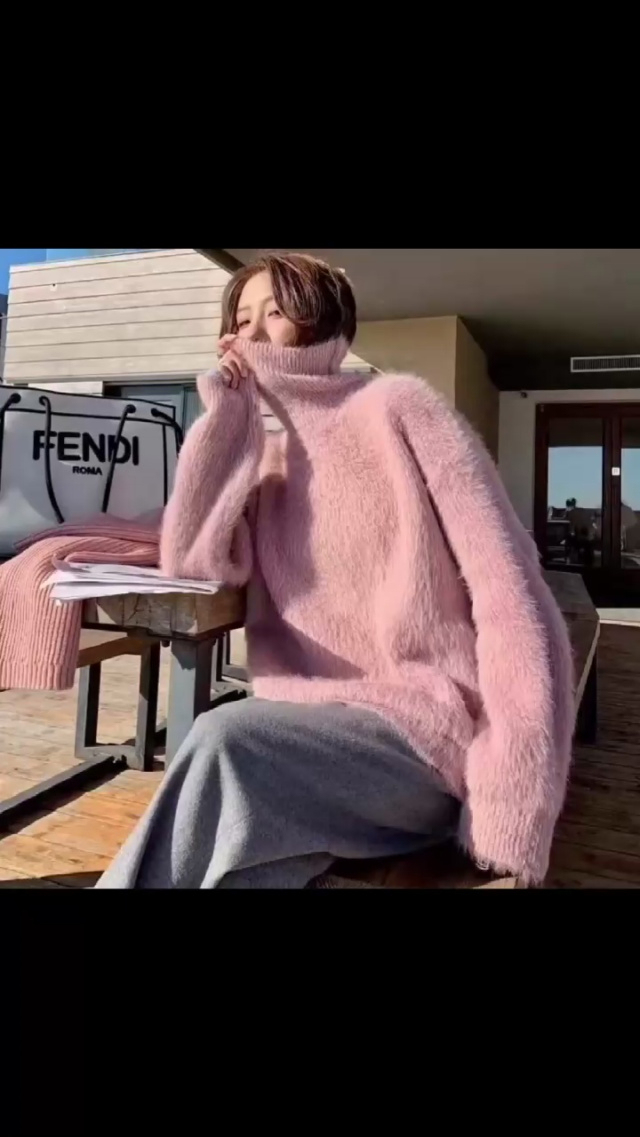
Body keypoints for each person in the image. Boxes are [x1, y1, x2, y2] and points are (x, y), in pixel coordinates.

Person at [97, 253, 574, 889]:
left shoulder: (399, 408)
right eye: (240, 320)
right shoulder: (266, 465)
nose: (252, 333)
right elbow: (192, 559)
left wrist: (512, 800)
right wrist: (226, 420)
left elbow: (511, 594)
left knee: (223, 741)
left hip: (425, 746)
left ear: (323, 321)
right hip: (308, 749)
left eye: (275, 312)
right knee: (240, 863)